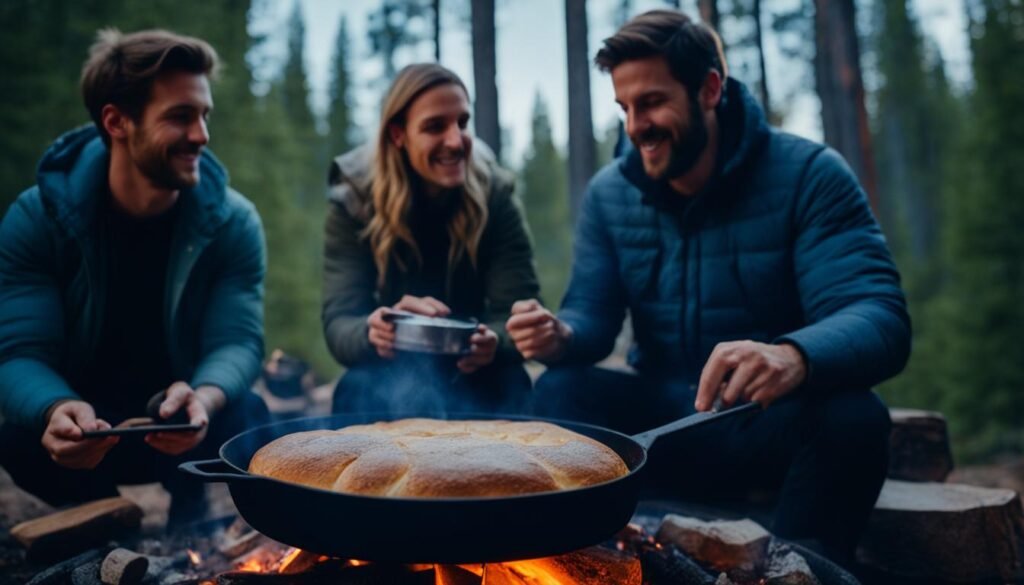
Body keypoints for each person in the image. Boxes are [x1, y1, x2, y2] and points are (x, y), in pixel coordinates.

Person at [505, 10, 910, 565]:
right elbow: (592, 319)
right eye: (624, 108)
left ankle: (797, 567)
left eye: (651, 102)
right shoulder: (611, 194)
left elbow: (880, 314)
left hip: (767, 425)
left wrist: (794, 355)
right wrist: (561, 334)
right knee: (559, 391)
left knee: (855, 418)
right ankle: (577, 558)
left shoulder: (810, 174)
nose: (635, 125)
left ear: (710, 90)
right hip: (664, 431)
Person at [0, 29, 268, 527]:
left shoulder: (233, 221)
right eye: (180, 117)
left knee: (248, 414)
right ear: (116, 121)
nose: (202, 135)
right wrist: (53, 406)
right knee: (17, 436)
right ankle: (100, 509)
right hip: (88, 431)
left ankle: (191, 498)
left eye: (204, 115)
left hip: (185, 425)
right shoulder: (37, 219)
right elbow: (19, 352)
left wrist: (204, 397)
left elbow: (239, 341)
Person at [323, 64, 539, 416]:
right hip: (393, 368)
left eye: (462, 123)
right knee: (355, 388)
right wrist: (373, 329)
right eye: (435, 126)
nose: (455, 141)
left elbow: (517, 312)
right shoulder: (356, 199)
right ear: (398, 134)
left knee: (511, 382)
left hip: (476, 370)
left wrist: (495, 342)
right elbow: (340, 321)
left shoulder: (494, 194)